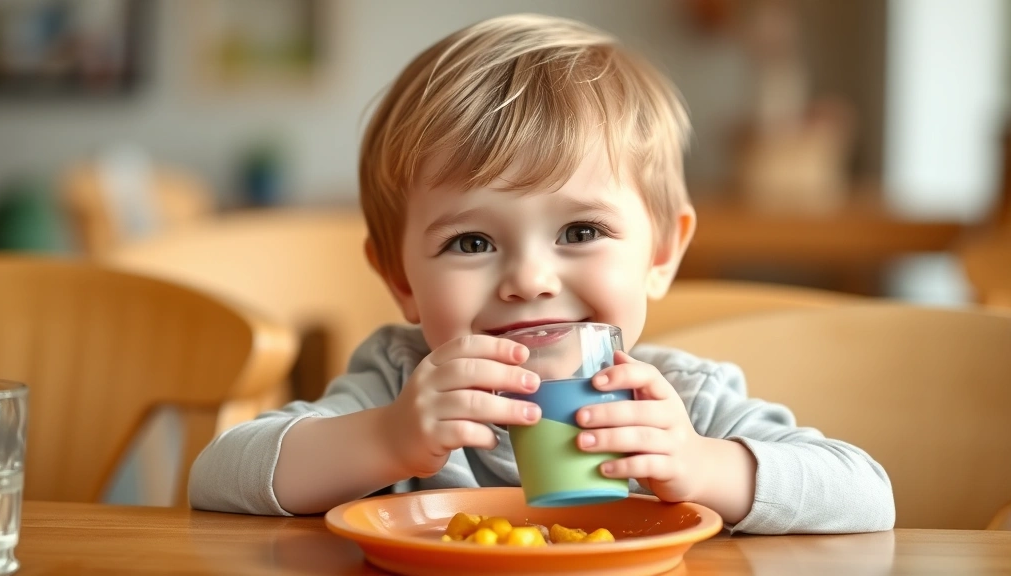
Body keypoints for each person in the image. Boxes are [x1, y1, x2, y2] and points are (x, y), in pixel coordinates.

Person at [189, 13, 895, 534]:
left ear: (661, 254)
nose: (528, 278)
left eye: (581, 232)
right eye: (470, 242)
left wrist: (705, 465)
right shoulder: (402, 386)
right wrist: (386, 439)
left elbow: (868, 496)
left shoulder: (679, 403)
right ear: (400, 280)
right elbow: (217, 474)